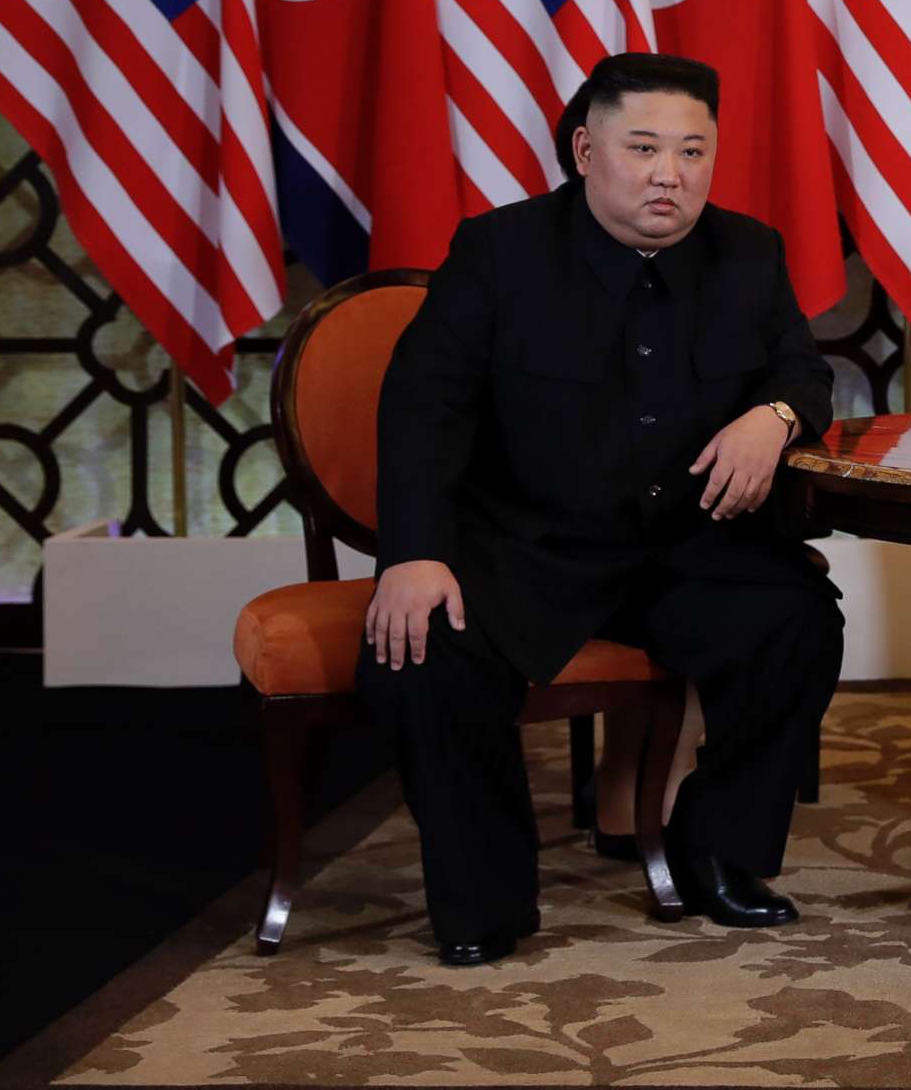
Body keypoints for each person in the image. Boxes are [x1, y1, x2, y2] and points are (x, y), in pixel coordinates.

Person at [359, 52, 843, 966]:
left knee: (797, 624)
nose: (671, 173)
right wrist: (413, 553)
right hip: (529, 545)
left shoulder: (748, 252)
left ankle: (720, 852)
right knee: (425, 654)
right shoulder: (497, 252)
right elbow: (425, 409)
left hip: (683, 546)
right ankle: (485, 900)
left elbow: (802, 372)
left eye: (693, 151)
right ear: (586, 150)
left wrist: (773, 419)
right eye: (646, 147)